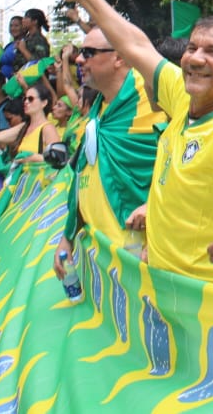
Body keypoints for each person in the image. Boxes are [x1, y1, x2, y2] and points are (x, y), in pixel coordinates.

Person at [45, 0, 213, 294]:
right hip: (164, 302)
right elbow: (134, 43)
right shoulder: (182, 96)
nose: (196, 58)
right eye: (192, 48)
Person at [53, 25, 166, 275]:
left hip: (144, 260)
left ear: (119, 57)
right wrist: (68, 236)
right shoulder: (99, 108)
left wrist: (157, 206)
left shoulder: (152, 97)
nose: (80, 59)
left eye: (89, 52)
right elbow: (84, 173)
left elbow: (189, 168)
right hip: (101, 257)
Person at [0, 82, 61, 164]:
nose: (26, 102)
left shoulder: (48, 128)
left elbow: (58, 158)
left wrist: (34, 158)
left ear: (44, 103)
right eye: (25, 99)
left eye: (30, 99)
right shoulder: (24, 126)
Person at [0, 15, 24, 79]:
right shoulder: (8, 45)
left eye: (16, 26)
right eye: (11, 26)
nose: (13, 28)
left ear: (23, 27)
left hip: (17, 81)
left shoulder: (26, 43)